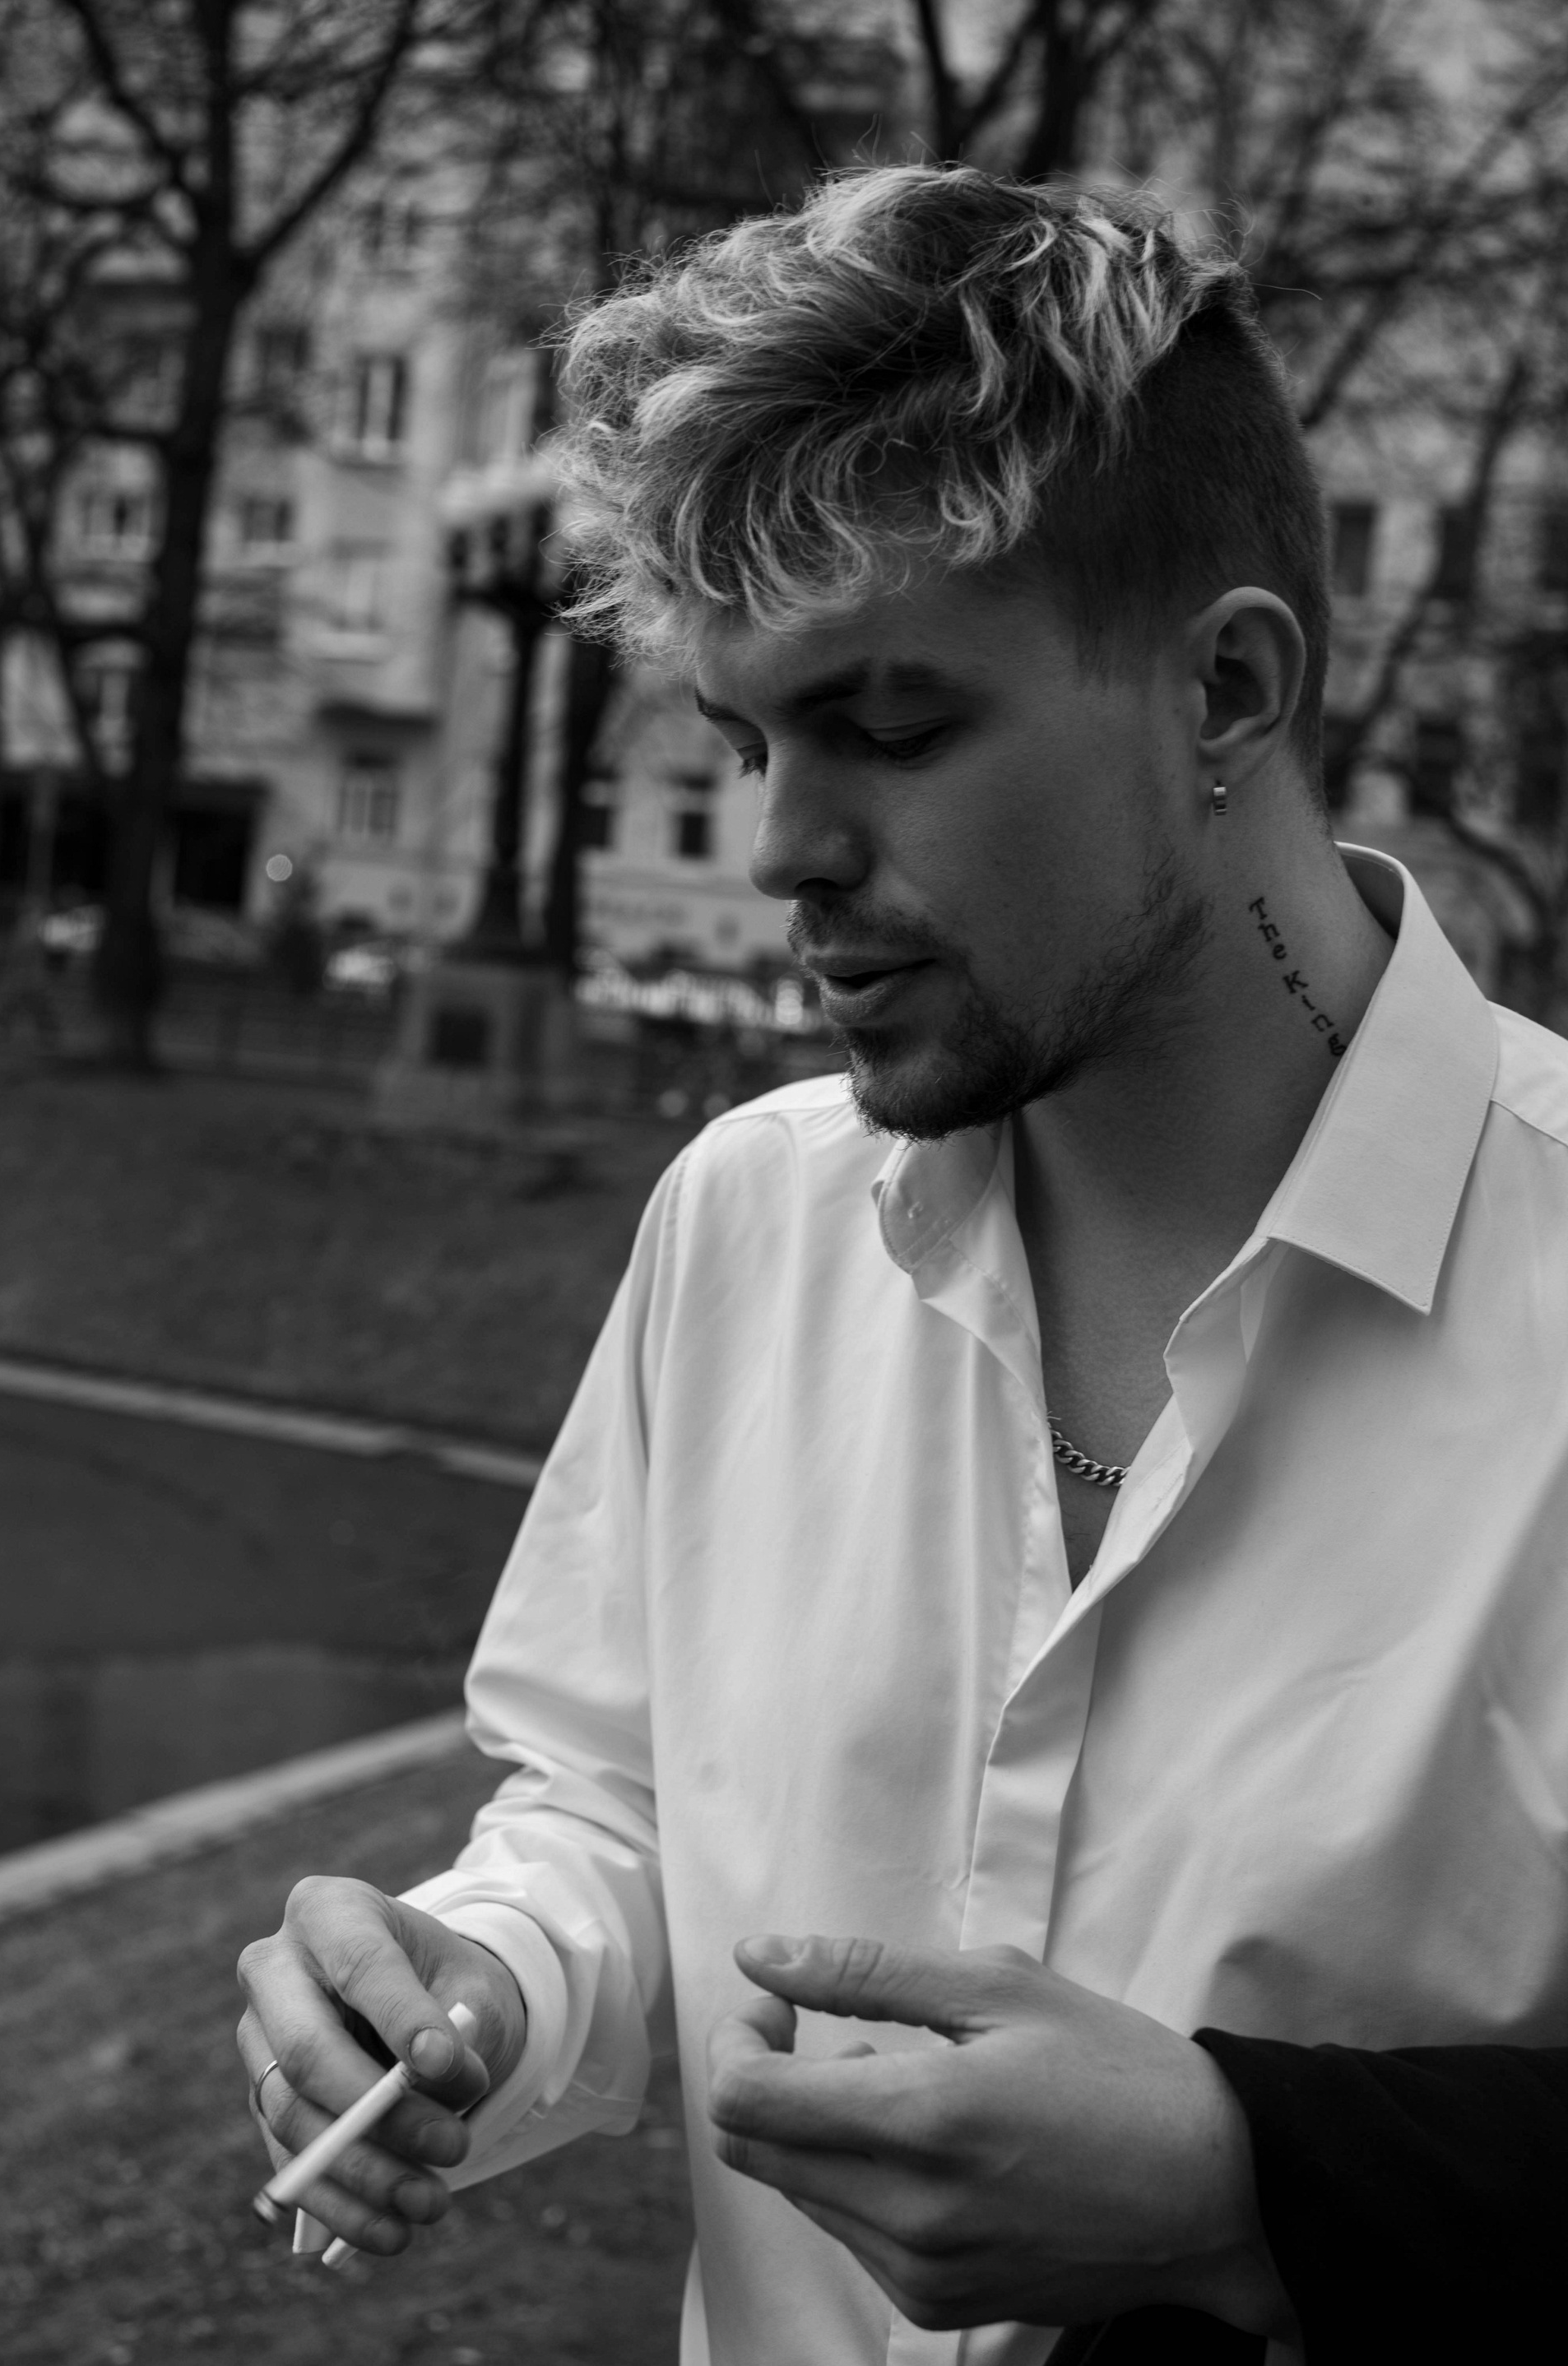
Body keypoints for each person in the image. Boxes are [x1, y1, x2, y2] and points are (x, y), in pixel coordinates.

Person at [238, 169, 1568, 2363]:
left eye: (892, 727)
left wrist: (1266, 2187)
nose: (782, 849)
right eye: (748, 743)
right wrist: (483, 1977)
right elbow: (619, 1802)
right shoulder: (745, 1220)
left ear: (1229, 689)